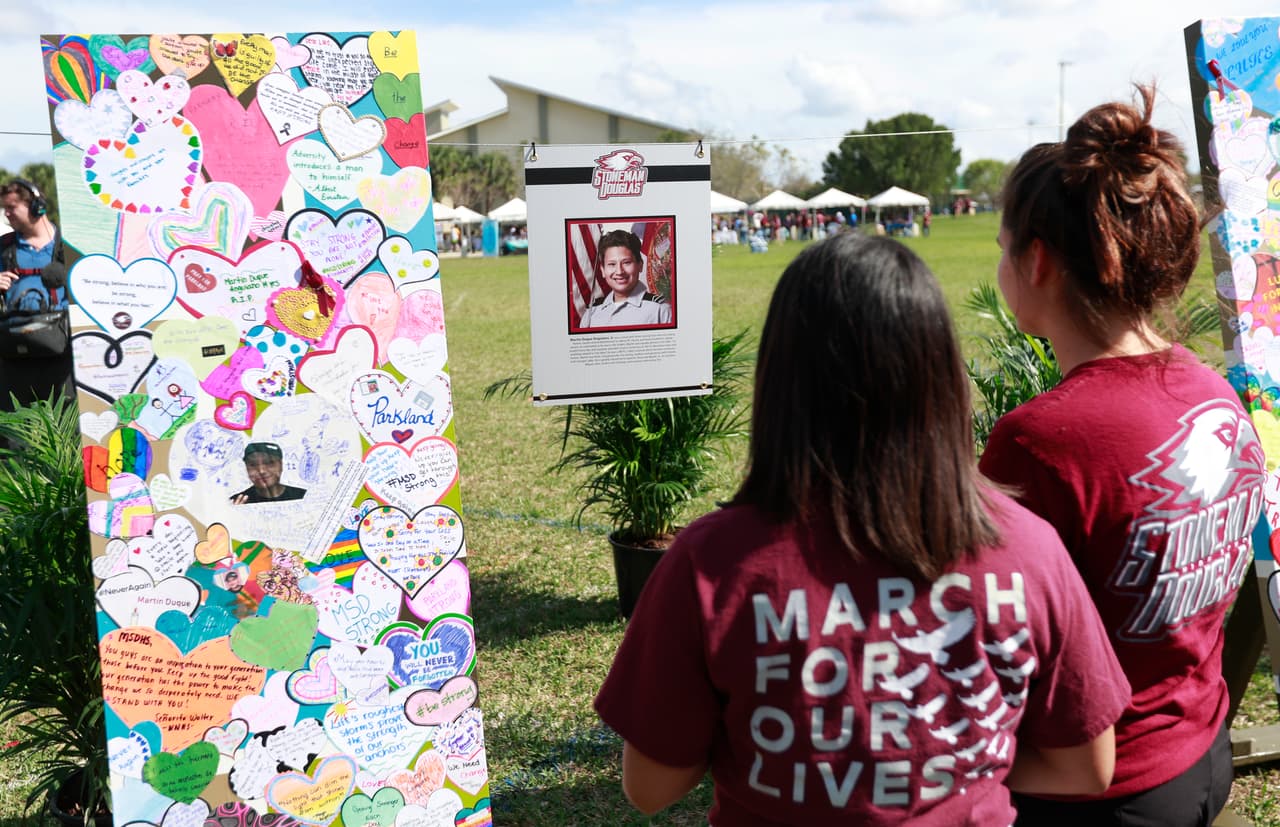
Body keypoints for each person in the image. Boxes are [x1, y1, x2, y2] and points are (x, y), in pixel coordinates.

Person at [595, 233, 1131, 825]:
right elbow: (1085, 766)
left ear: (780, 381)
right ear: (941, 375)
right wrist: (947, 769)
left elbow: (650, 786)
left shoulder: (710, 563)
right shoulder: (1029, 550)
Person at [979, 86, 1264, 827]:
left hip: (1093, 791)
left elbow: (974, 633)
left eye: (1004, 249)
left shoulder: (1039, 440)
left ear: (1036, 261)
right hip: (1202, 753)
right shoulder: (1215, 396)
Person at [0, 179, 72, 409]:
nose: (6, 214)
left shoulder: (68, 245)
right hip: (14, 350)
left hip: (61, 351)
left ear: (36, 206)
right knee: (15, 429)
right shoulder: (3, 246)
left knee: (65, 422)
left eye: (12, 207)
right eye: (4, 208)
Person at [579, 229, 672, 329]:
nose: (619, 271)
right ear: (602, 270)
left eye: (626, 262)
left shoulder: (660, 310)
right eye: (612, 264)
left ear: (640, 265)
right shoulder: (592, 313)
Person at [230, 442, 306, 504]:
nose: (261, 471)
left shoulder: (302, 497)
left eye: (269, 462)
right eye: (253, 464)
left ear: (281, 465)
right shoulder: (237, 502)